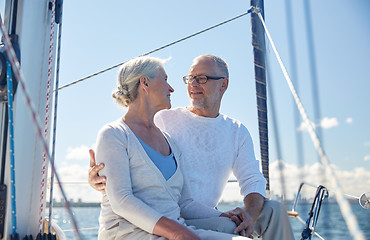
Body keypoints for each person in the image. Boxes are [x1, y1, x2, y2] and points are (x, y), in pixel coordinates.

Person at [90, 55, 294, 239]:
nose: (190, 85)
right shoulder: (160, 119)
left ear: (223, 85)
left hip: (194, 214)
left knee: (272, 210)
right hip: (157, 224)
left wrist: (243, 215)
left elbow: (251, 180)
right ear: (145, 83)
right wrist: (99, 176)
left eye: (202, 78)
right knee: (229, 229)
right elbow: (120, 160)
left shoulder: (233, 131)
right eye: (190, 78)